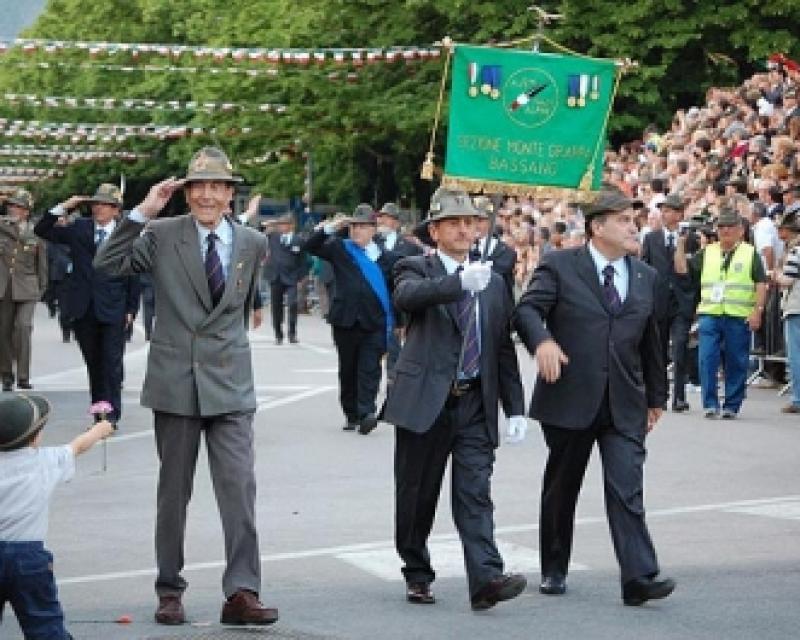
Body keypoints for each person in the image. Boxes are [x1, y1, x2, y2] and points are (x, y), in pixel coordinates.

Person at [93, 147, 277, 626]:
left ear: (230, 195)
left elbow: (244, 294)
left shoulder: (253, 242)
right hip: (177, 381)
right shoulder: (161, 233)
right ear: (186, 193)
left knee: (240, 488)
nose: (207, 196)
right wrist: (142, 212)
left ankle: (242, 591)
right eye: (198, 187)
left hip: (231, 384)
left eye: (217, 187)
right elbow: (108, 262)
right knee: (173, 493)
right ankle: (169, 588)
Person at [514, 186, 675, 606]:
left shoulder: (645, 276)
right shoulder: (560, 265)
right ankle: (553, 567)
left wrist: (657, 397)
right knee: (562, 487)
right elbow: (527, 310)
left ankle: (638, 576)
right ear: (596, 226)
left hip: (625, 401)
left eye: (632, 219)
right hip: (570, 397)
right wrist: (543, 343)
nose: (632, 226)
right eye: (622, 220)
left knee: (627, 487)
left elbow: (650, 341)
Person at [383, 187, 528, 611]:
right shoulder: (416, 266)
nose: (465, 230)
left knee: (475, 493)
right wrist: (456, 284)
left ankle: (486, 578)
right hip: (427, 400)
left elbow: (501, 347)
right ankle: (417, 571)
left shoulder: (493, 281)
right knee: (417, 495)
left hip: (474, 402)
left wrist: (515, 407)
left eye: (471, 223)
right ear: (435, 230)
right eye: (454, 223)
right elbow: (406, 298)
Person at [0, 392, 114, 640]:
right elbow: (78, 446)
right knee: (44, 624)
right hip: (29, 559)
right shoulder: (46, 460)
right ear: (33, 438)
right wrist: (99, 430)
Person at [34, 184, 139, 423]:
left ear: (116, 210)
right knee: (94, 362)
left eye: (104, 205)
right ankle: (99, 411)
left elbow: (134, 273)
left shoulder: (126, 233)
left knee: (111, 362)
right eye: (95, 204)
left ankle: (112, 414)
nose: (98, 208)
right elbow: (43, 229)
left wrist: (132, 308)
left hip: (114, 306)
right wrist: (65, 206)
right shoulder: (79, 228)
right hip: (84, 306)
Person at [304, 204, 400, 434]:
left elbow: (394, 290)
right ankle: (351, 414)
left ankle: (366, 411)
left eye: (363, 227)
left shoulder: (386, 258)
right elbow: (311, 246)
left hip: (374, 321)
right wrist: (329, 228)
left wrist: (400, 322)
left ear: (373, 230)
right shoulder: (341, 249)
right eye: (354, 226)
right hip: (345, 320)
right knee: (348, 369)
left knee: (370, 368)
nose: (357, 231)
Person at [675, 207, 768, 419]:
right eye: (721, 227)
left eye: (730, 227)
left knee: (736, 361)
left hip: (738, 315)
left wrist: (757, 311)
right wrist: (680, 244)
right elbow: (682, 269)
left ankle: (731, 405)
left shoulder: (750, 253)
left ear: (740, 230)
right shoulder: (707, 252)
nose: (725, 231)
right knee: (706, 358)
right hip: (710, 314)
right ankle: (710, 403)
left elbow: (760, 283)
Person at [641, 193, 696, 411]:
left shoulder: (690, 238)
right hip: (659, 301)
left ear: (679, 214)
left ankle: (679, 397)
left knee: (680, 346)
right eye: (662, 210)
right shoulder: (651, 238)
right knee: (659, 349)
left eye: (669, 210)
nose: (665, 214)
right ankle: (659, 395)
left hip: (681, 301)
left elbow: (689, 270)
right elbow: (644, 268)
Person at [0, 189, 47, 391]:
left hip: (27, 287)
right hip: (3, 287)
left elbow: (42, 264)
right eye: (11, 205)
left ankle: (23, 376)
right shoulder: (1, 226)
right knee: (3, 332)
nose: (13, 209)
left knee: (23, 327)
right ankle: (6, 374)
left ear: (27, 211)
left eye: (18, 206)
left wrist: (41, 288)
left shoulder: (36, 233)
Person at [375, 202, 422, 381]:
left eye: (386, 218)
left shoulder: (410, 247)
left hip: (399, 302)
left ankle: (393, 380)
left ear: (395, 222)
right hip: (377, 301)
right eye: (380, 218)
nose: (381, 221)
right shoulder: (372, 243)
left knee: (395, 345)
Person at [263, 213, 308, 344]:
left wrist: (301, 278)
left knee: (293, 304)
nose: (281, 227)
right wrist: (269, 224)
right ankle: (278, 334)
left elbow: (303, 261)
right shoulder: (273, 236)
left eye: (284, 224)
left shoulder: (298, 240)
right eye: (280, 224)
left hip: (292, 278)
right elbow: (258, 233)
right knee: (276, 307)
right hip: (275, 276)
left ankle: (292, 333)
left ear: (291, 226)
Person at [773, 210, 800, 413]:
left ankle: (798, 398)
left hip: (796, 307)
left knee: (796, 356)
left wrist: (776, 274)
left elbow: (787, 280)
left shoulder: (796, 252)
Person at [470, 196, 517, 297]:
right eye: (472, 220)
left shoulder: (505, 252)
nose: (476, 225)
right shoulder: (462, 250)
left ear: (491, 221)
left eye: (480, 220)